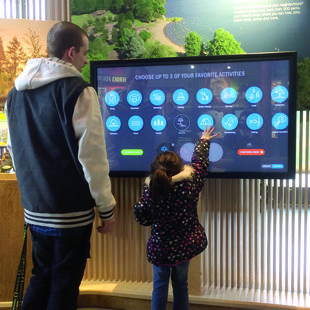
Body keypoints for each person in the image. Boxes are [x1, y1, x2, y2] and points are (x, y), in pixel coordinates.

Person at [5, 21, 116, 310]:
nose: (86, 59)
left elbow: (17, 155)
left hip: (35, 208)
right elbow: (93, 158)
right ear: (70, 52)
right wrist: (107, 208)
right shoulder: (80, 91)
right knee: (65, 284)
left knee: (41, 276)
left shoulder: (15, 95)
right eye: (84, 53)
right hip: (70, 212)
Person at [133, 125, 217, 310]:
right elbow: (200, 164)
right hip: (184, 247)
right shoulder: (190, 183)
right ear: (180, 168)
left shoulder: (151, 189)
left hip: (161, 249)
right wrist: (203, 141)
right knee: (181, 286)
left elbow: (142, 216)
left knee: (159, 287)